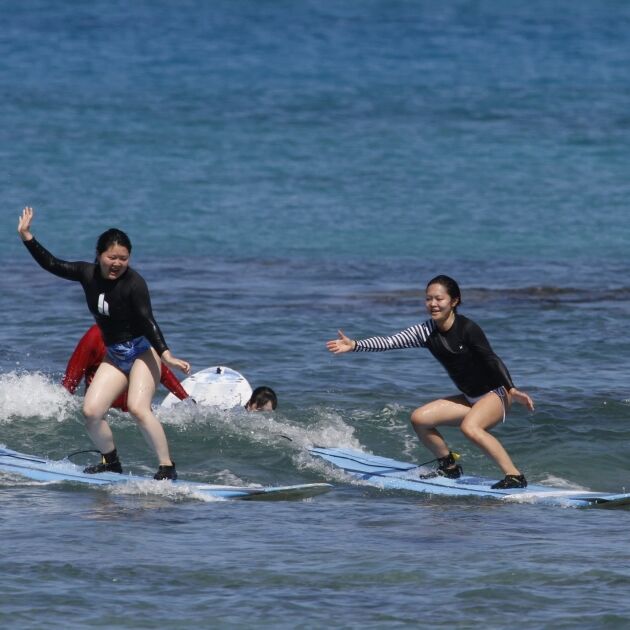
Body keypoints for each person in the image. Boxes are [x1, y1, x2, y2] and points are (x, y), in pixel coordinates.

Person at [18, 206, 191, 480]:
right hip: (115, 355)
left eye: (123, 258)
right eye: (112, 257)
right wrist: (27, 237)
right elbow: (52, 264)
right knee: (91, 411)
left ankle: (167, 467)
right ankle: (111, 462)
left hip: (141, 353)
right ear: (99, 255)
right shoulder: (87, 274)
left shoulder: (135, 284)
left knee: (137, 408)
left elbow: (148, 320)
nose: (117, 263)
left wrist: (166, 354)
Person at [326, 274, 534, 489]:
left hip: (496, 394)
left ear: (454, 301)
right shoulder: (425, 332)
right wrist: (355, 345)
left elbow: (491, 359)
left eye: (439, 299)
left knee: (470, 428)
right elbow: (390, 342)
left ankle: (515, 476)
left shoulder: (467, 329)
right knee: (420, 418)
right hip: (471, 398)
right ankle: (448, 466)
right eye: (428, 299)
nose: (433, 304)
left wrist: (512, 389)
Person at [63, 324, 190, 412]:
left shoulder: (137, 335)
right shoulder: (94, 336)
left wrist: (186, 400)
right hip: (104, 414)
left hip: (131, 416)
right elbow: (70, 382)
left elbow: (160, 371)